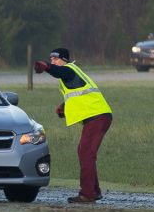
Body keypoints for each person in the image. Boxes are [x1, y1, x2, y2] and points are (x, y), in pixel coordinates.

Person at [34, 47, 113, 203]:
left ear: (64, 60)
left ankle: (88, 194)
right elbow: (78, 93)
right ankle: (94, 191)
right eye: (50, 59)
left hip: (97, 116)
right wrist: (64, 107)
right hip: (98, 115)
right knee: (85, 152)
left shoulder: (68, 69)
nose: (52, 61)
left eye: (55, 59)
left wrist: (46, 67)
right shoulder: (72, 73)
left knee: (86, 153)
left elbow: (59, 72)